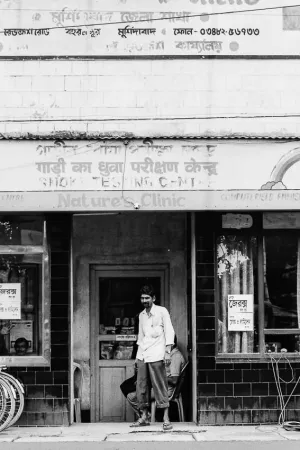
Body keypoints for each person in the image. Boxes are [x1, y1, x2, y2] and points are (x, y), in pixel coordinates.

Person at [130, 284, 175, 431]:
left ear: (153, 298)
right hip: (143, 354)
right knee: (141, 386)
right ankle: (144, 417)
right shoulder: (142, 315)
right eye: (142, 298)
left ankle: (166, 418)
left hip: (157, 354)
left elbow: (169, 331)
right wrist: (137, 357)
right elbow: (141, 337)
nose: (144, 301)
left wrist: (167, 352)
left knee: (159, 386)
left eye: (147, 298)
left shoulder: (162, 312)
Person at [126, 334, 185, 423]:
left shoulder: (175, 356)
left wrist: (157, 377)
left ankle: (147, 417)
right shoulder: (169, 355)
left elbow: (174, 380)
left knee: (133, 396)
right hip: (161, 386)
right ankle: (147, 416)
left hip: (167, 390)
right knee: (136, 388)